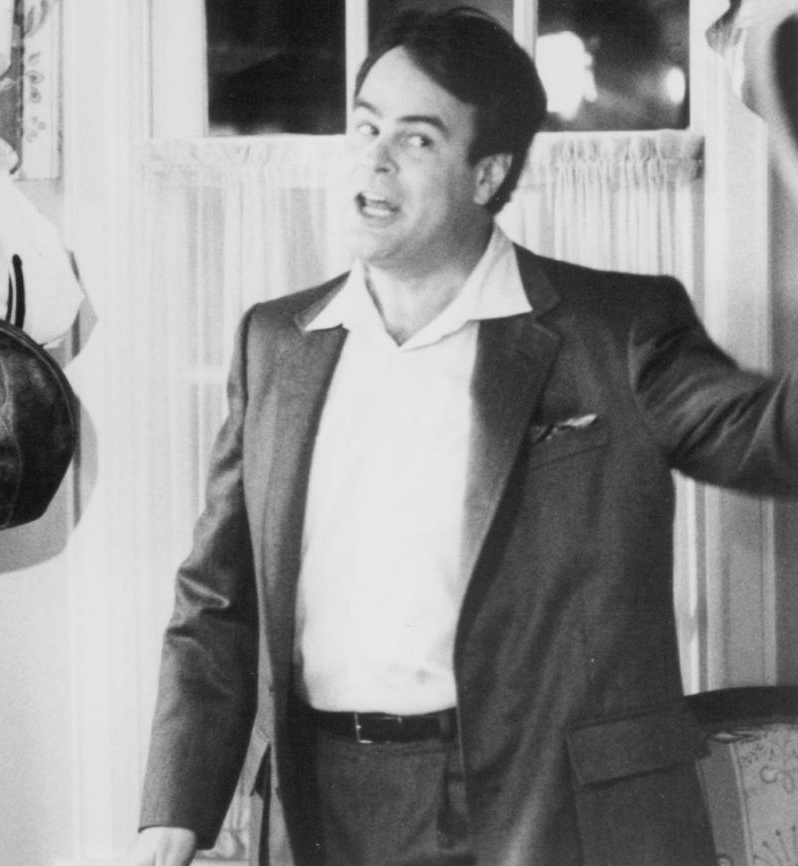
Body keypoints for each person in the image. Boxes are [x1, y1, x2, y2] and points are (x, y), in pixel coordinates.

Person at [131, 8, 795, 866]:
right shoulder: (275, 344)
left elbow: (771, 439)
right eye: (365, 126)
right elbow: (217, 602)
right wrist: (172, 815)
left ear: (487, 175)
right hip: (320, 807)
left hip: (550, 814)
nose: (373, 159)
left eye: (416, 139)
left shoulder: (617, 331)